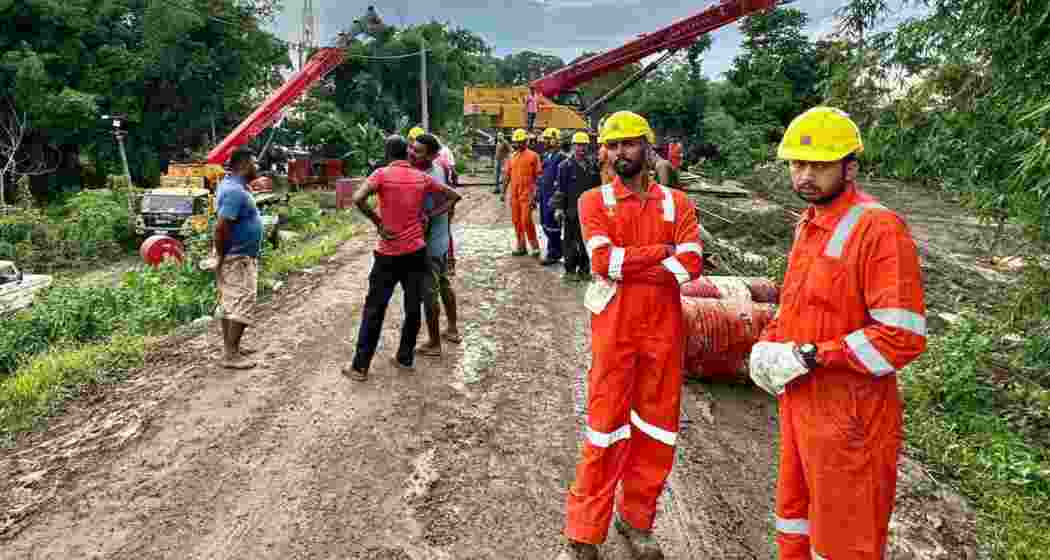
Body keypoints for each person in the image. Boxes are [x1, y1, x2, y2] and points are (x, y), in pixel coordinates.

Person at [748, 107, 926, 560]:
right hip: (802, 403)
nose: (806, 176)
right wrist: (768, 343)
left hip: (852, 418)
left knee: (845, 544)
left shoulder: (879, 229)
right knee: (795, 525)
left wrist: (811, 355)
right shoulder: (807, 223)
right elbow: (796, 305)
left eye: (820, 165)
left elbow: (900, 337)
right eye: (797, 164)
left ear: (850, 167)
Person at [557, 111, 703, 560]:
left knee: (656, 433)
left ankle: (637, 521)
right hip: (615, 335)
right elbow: (603, 263)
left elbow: (692, 264)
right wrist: (663, 252)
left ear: (647, 147)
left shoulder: (678, 203)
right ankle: (584, 532)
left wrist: (635, 261)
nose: (620, 152)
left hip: (664, 334)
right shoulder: (593, 202)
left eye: (629, 143)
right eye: (613, 144)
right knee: (604, 432)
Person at [344, 135, 461, 382]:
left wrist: (378, 223)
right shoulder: (422, 178)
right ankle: (405, 358)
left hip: (387, 252)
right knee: (412, 306)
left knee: (375, 309)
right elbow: (454, 196)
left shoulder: (381, 175)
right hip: (416, 252)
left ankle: (360, 367)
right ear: (407, 153)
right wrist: (429, 214)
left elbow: (357, 199)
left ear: (387, 154)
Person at [410, 133, 462, 357]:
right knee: (443, 283)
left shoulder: (432, 176)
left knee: (429, 293)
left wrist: (429, 215)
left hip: (430, 244)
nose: (413, 153)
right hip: (440, 240)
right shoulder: (435, 168)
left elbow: (451, 200)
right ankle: (451, 329)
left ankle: (433, 343)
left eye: (418, 151)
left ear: (431, 155)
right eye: (412, 148)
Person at [214, 148, 264, 370]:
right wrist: (223, 256)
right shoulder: (235, 191)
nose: (258, 166)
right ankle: (231, 355)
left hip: (236, 255)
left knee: (230, 303)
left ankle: (231, 348)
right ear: (244, 165)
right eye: (255, 163)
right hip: (238, 257)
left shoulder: (234, 186)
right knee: (242, 302)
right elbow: (221, 226)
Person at [554, 131, 601, 282]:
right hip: (571, 210)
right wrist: (559, 208)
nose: (581, 149)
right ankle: (570, 271)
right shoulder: (564, 166)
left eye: (584, 146)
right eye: (578, 145)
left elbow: (597, 188)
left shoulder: (593, 166)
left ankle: (584, 270)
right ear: (573, 146)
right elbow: (560, 189)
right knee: (570, 241)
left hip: (589, 211)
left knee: (587, 241)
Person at [504, 128, 542, 257]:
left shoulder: (533, 156)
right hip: (514, 194)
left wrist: (536, 195)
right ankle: (521, 246)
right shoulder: (512, 157)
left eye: (521, 142)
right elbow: (507, 175)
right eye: (516, 142)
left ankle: (535, 246)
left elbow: (538, 177)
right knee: (516, 221)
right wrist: (503, 193)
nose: (518, 144)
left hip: (527, 194)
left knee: (526, 220)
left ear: (526, 142)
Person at [538, 128, 566, 266]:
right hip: (544, 195)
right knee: (544, 225)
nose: (545, 142)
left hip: (553, 197)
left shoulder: (561, 157)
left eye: (548, 139)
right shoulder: (546, 156)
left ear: (556, 140)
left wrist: (559, 203)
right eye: (545, 139)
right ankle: (558, 249)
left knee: (552, 226)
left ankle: (554, 252)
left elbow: (562, 180)